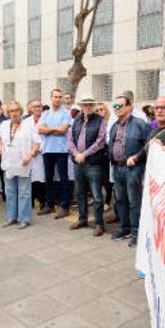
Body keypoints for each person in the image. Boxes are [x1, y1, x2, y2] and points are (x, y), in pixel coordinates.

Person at [108, 94, 150, 247]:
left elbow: (148, 146)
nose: (117, 109)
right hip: (117, 167)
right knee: (120, 200)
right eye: (115, 106)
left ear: (129, 106)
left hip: (133, 169)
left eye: (120, 106)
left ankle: (137, 232)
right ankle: (124, 228)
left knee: (134, 202)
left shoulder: (140, 124)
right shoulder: (114, 125)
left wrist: (138, 160)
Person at [0, 101, 41, 229]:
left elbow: (37, 143)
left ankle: (24, 218)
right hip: (9, 163)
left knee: (24, 192)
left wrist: (30, 155)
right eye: (11, 111)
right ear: (7, 113)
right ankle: (11, 217)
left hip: (23, 163)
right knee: (10, 191)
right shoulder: (4, 125)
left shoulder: (28, 125)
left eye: (16, 110)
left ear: (21, 111)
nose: (14, 113)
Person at [67, 96, 108, 236]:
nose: (88, 107)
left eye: (90, 104)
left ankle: (99, 224)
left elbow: (101, 141)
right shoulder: (77, 120)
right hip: (78, 162)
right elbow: (70, 139)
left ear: (93, 105)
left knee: (97, 195)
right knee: (80, 193)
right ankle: (82, 219)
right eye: (85, 105)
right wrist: (76, 154)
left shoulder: (100, 120)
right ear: (81, 106)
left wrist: (84, 154)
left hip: (93, 163)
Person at [38, 89, 73, 218]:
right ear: (51, 98)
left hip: (61, 150)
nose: (57, 99)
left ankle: (65, 206)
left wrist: (48, 130)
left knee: (64, 178)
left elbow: (63, 130)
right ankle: (50, 204)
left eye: (59, 97)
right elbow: (40, 130)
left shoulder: (66, 113)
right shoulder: (45, 113)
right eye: (55, 97)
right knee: (48, 178)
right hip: (47, 150)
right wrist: (54, 129)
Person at [127, 96, 165, 169]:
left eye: (163, 107)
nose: (159, 111)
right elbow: (146, 151)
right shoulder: (152, 131)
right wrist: (135, 158)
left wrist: (162, 149)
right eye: (156, 108)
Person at [25, 100, 47, 211]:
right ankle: (31, 201)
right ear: (31, 109)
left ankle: (43, 201)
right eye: (34, 107)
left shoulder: (46, 120)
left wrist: (39, 149)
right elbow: (24, 138)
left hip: (42, 153)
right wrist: (30, 151)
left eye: (39, 106)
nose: (37, 108)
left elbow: (48, 138)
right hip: (30, 154)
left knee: (42, 179)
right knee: (31, 178)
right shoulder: (26, 122)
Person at [94, 102, 114, 217]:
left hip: (107, 154)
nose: (99, 112)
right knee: (98, 178)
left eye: (101, 109)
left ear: (105, 111)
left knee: (107, 179)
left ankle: (107, 201)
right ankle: (99, 199)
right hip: (96, 154)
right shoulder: (94, 123)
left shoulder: (109, 123)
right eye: (96, 110)